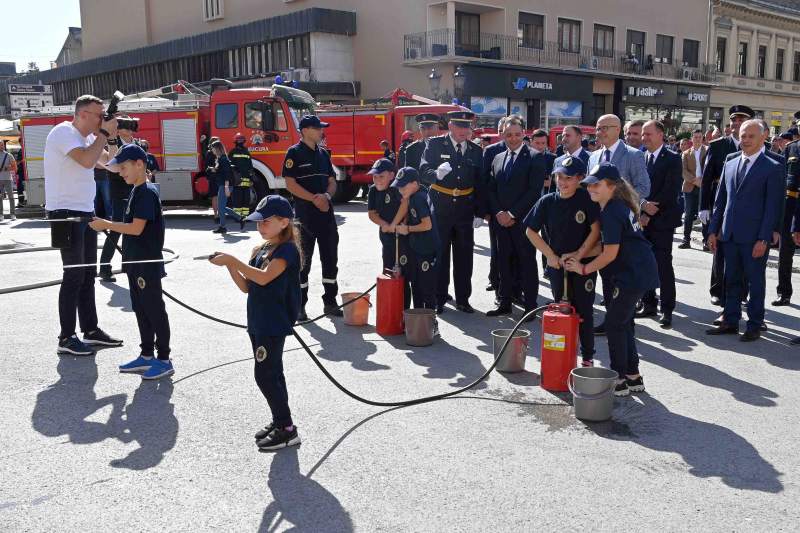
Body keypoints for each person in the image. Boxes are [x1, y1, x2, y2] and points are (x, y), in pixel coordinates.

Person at [209, 195, 303, 451]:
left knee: (265, 376)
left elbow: (264, 278)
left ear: (284, 222)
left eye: (266, 222)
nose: (260, 227)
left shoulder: (287, 251)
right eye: (258, 223)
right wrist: (229, 267)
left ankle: (287, 428)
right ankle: (280, 421)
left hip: (273, 322)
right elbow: (247, 287)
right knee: (273, 374)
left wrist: (232, 260)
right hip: (258, 321)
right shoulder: (260, 250)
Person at [565, 162, 658, 397]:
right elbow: (609, 247)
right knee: (624, 323)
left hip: (631, 274)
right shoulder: (617, 206)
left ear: (612, 186)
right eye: (589, 184)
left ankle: (618, 379)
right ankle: (633, 376)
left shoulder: (611, 212)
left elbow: (609, 253)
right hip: (637, 270)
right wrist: (578, 255)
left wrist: (583, 269)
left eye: (597, 184)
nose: (591, 188)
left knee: (615, 325)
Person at [44, 94, 123, 355]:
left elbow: (111, 165)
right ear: (82, 114)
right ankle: (66, 337)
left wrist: (110, 137)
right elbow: (87, 161)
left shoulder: (90, 137)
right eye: (98, 114)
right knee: (74, 274)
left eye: (104, 114)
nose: (102, 118)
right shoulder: (63, 132)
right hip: (65, 213)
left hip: (85, 212)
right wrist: (103, 132)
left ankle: (90, 330)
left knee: (88, 274)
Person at [89, 144, 173, 379]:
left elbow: (136, 229)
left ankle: (164, 359)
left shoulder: (146, 192)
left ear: (139, 164)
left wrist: (106, 224)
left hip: (147, 263)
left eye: (123, 167)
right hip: (135, 263)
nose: (120, 172)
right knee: (141, 309)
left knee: (154, 310)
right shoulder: (136, 190)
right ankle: (146, 356)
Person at [706, 120, 784, 342]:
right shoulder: (730, 162)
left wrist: (764, 238)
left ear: (762, 139)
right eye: (743, 135)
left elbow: (772, 207)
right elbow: (720, 200)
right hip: (729, 234)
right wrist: (713, 230)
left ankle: (754, 324)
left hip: (754, 237)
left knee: (755, 281)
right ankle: (730, 320)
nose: (745, 140)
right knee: (731, 279)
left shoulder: (773, 167)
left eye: (751, 136)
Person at [525, 156, 600, 366]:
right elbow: (531, 231)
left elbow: (595, 231)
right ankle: (562, 356)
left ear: (580, 179)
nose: (562, 182)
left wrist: (579, 255)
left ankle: (587, 357)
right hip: (558, 265)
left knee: (584, 311)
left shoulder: (586, 199)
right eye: (559, 176)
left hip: (583, 263)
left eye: (568, 178)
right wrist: (550, 255)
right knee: (561, 309)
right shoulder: (547, 201)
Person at [588, 114, 650, 334]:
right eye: (598, 128)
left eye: (605, 128)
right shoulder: (593, 156)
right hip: (601, 225)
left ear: (618, 129)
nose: (600, 132)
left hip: (622, 226)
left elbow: (643, 186)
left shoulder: (633, 155)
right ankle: (610, 318)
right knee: (606, 274)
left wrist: (621, 204)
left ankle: (625, 321)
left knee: (622, 274)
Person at [420, 110, 484, 314]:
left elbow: (481, 183)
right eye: (460, 127)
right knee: (441, 254)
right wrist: (435, 175)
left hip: (465, 208)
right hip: (440, 207)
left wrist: (480, 212)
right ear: (450, 126)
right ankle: (439, 298)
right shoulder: (435, 145)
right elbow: (423, 171)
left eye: (468, 127)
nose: (465, 131)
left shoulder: (475, 150)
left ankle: (463, 299)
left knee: (464, 256)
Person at [485, 116, 546, 319]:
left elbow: (533, 191)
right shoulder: (497, 158)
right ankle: (505, 302)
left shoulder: (536, 157)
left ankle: (530, 306)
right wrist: (498, 213)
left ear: (524, 133)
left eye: (517, 134)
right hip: (500, 221)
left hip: (523, 221)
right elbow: (491, 189)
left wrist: (511, 214)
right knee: (503, 261)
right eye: (509, 135)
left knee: (527, 262)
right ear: (503, 135)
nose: (513, 138)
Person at [282, 115, 342, 320]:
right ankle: (300, 305)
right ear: (305, 130)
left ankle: (330, 302)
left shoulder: (324, 154)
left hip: (326, 216)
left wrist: (326, 196)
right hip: (305, 217)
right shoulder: (294, 153)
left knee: (330, 261)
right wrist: (313, 199)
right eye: (318, 128)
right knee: (302, 264)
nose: (321, 132)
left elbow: (332, 181)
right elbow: (290, 183)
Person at [700, 105, 753, 306]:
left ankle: (742, 291)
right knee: (720, 249)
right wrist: (704, 206)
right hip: (721, 204)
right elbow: (706, 179)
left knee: (744, 251)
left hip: (748, 207)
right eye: (733, 121)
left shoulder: (760, 145)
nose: (736, 124)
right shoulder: (718, 145)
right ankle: (717, 289)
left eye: (741, 121)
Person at [637, 120, 682, 328]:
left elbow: (670, 190)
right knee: (644, 262)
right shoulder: (640, 156)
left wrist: (650, 212)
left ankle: (667, 309)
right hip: (642, 219)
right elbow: (635, 187)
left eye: (648, 134)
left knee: (663, 265)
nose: (644, 138)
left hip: (662, 220)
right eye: (643, 135)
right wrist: (641, 209)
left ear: (661, 134)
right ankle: (648, 303)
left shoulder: (672, 158)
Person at [98, 119, 140, 282]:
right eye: (126, 127)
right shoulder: (115, 145)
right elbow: (113, 166)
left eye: (132, 126)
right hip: (120, 189)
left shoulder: (136, 143)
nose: (130, 130)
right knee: (116, 228)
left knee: (134, 227)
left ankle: (128, 264)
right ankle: (104, 267)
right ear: (118, 130)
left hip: (135, 188)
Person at [394, 167, 441, 313]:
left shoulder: (418, 199)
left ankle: (430, 323)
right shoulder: (418, 193)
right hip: (418, 248)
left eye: (403, 186)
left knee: (426, 288)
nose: (401, 190)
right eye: (399, 187)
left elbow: (427, 225)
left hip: (426, 250)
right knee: (417, 285)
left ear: (414, 183)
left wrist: (407, 229)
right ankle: (418, 322)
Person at [482, 116, 511, 293]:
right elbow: (485, 182)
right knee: (496, 248)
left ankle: (514, 285)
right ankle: (494, 280)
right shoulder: (491, 151)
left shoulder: (525, 150)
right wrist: (486, 210)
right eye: (503, 131)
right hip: (496, 210)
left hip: (516, 212)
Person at [775, 128, 800, 306]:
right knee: (785, 253)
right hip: (791, 207)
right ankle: (784, 292)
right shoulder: (791, 148)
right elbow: (779, 178)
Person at [209, 140, 245, 234]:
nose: (212, 150)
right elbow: (222, 172)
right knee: (222, 207)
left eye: (213, 148)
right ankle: (238, 219)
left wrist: (226, 187)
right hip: (223, 185)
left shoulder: (223, 159)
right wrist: (214, 170)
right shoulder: (221, 158)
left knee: (221, 208)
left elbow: (227, 174)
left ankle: (224, 226)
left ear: (217, 149)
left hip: (225, 185)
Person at [679, 129, 706, 249]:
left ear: (702, 138)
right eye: (695, 137)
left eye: (699, 137)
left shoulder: (708, 151)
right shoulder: (685, 153)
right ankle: (686, 240)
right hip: (690, 187)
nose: (697, 139)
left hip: (704, 187)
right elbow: (683, 171)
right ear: (692, 139)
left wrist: (703, 181)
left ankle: (706, 241)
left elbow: (711, 168)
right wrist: (695, 180)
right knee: (689, 214)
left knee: (704, 214)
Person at [0, 141, 17, 221]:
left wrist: (8, 168)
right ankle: (1, 214)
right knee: (0, 197)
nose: (1, 146)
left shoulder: (9, 155)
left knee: (11, 197)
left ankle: (13, 214)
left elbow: (15, 167)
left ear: (4, 145)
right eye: (0, 145)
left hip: (8, 179)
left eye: (2, 145)